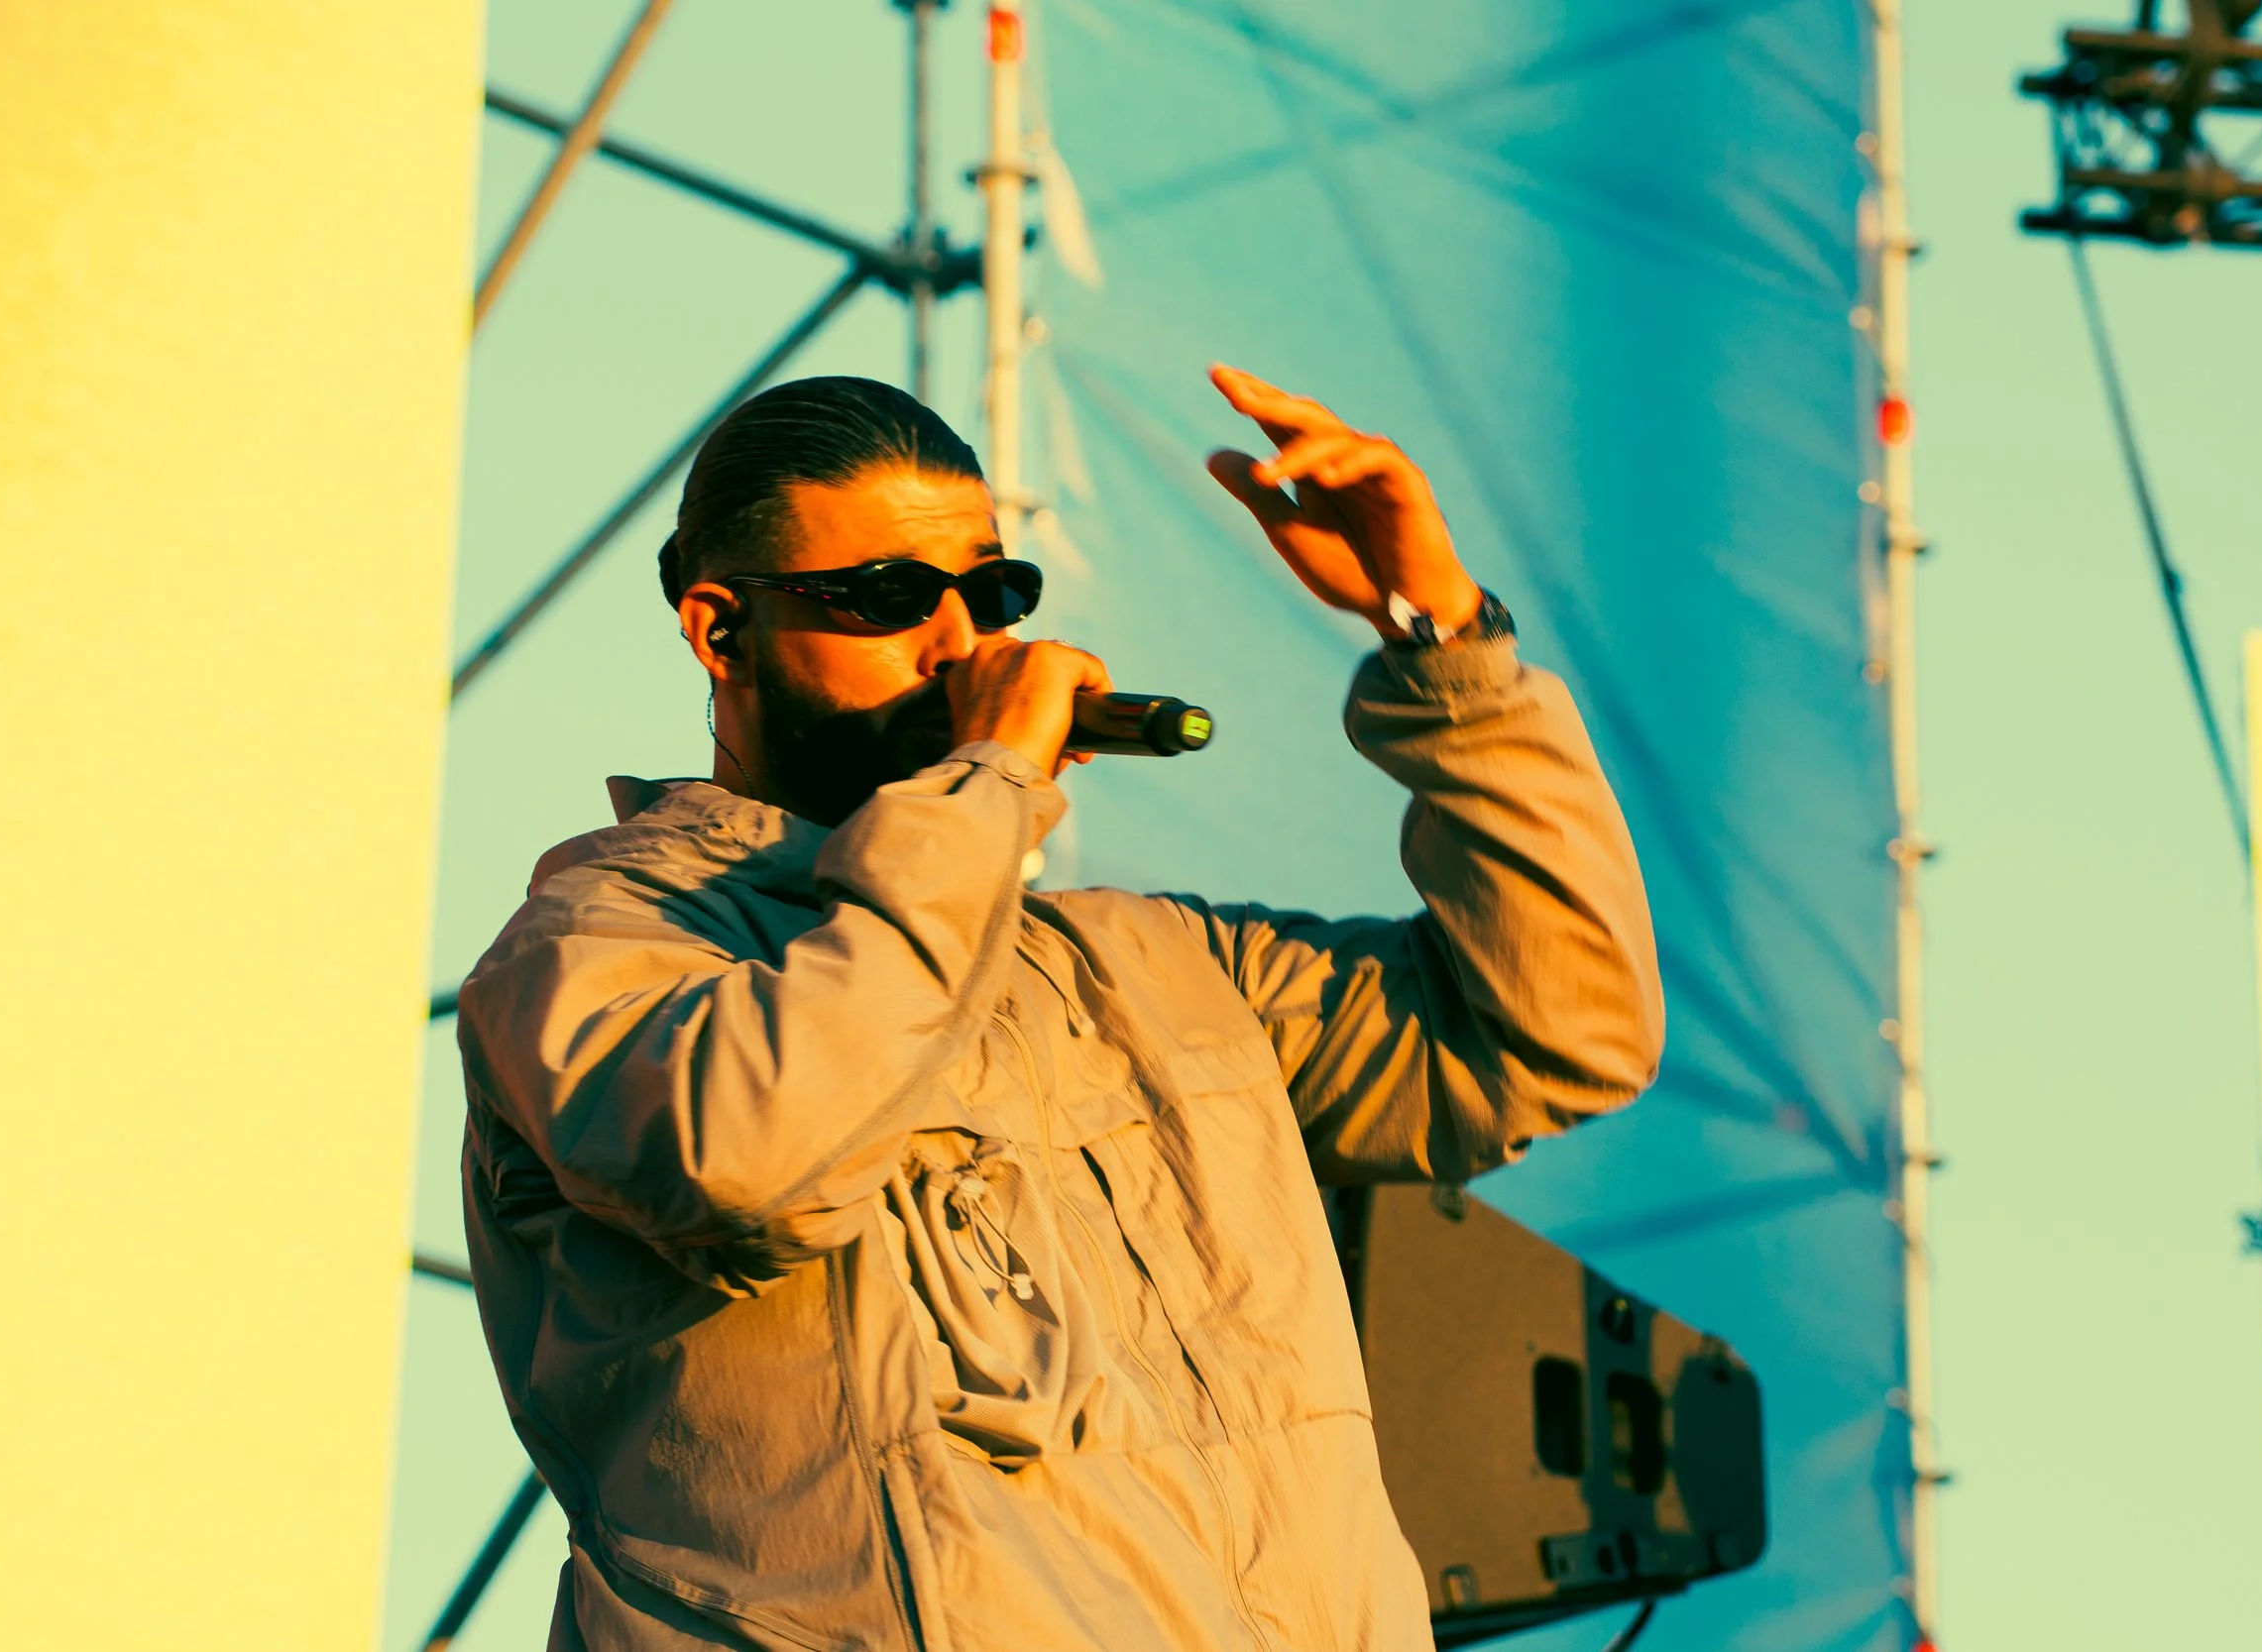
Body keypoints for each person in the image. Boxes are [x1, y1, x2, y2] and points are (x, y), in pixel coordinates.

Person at [454, 367, 1662, 1652]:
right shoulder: (598, 946)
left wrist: (1445, 636)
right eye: (890, 599)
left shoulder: (1153, 966)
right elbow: (759, 1158)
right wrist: (987, 784)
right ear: (719, 632)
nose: (966, 643)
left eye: (995, 592)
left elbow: (1556, 1025)